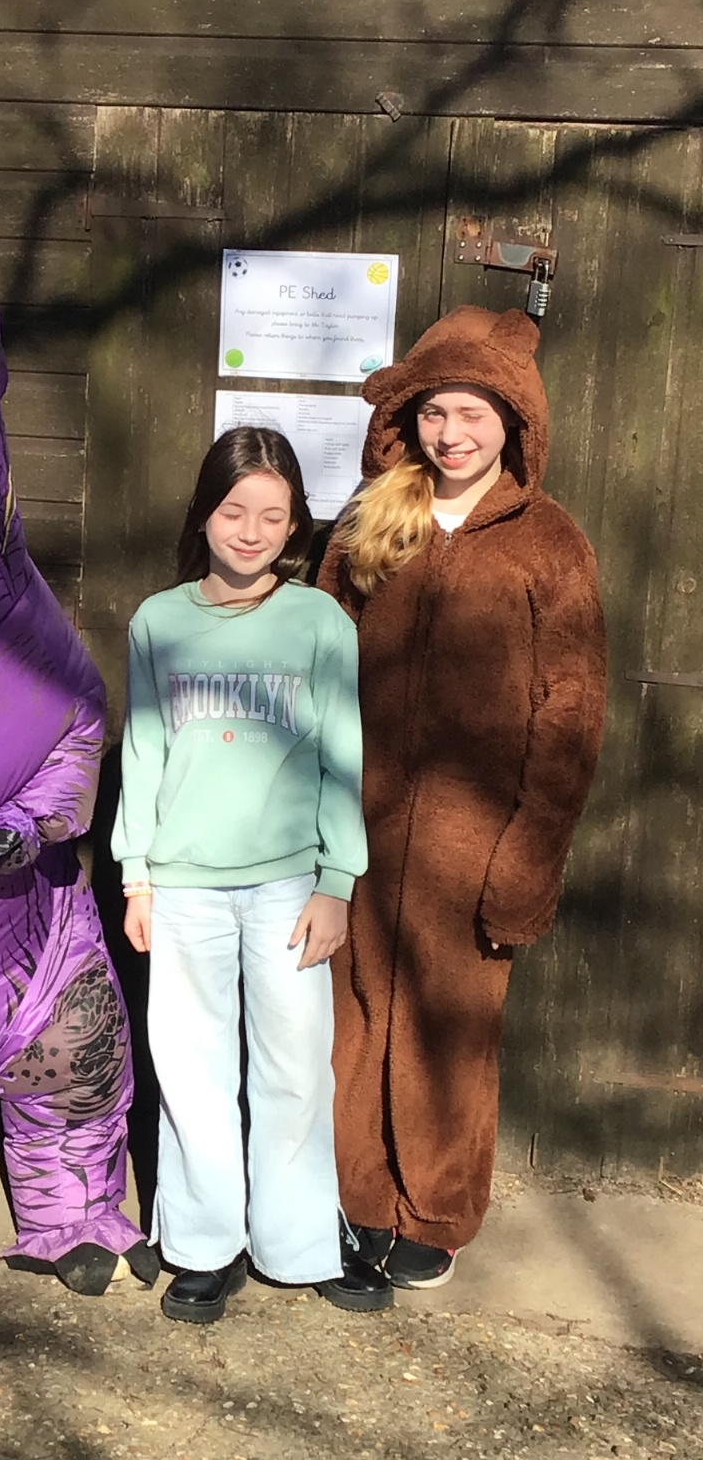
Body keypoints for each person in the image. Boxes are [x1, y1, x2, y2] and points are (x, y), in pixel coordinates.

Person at [316, 305, 607, 1299]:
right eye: (435, 412)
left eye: (473, 414)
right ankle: (357, 1197)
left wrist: (528, 857)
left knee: (451, 1033)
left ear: (513, 423)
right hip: (355, 827)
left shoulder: (550, 543)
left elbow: (571, 714)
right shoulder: (370, 521)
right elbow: (315, 668)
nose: (451, 434)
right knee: (351, 1018)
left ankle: (434, 1210)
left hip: (473, 843)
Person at [112, 425, 380, 1323]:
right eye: (235, 511)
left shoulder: (319, 622)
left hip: (288, 886)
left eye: (274, 514)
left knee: (295, 1066)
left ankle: (299, 1241)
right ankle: (203, 1245)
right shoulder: (159, 621)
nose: (252, 531)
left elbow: (343, 754)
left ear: (296, 523)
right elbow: (144, 751)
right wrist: (137, 875)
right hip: (183, 883)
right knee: (190, 1069)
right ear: (204, 513)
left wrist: (337, 882)